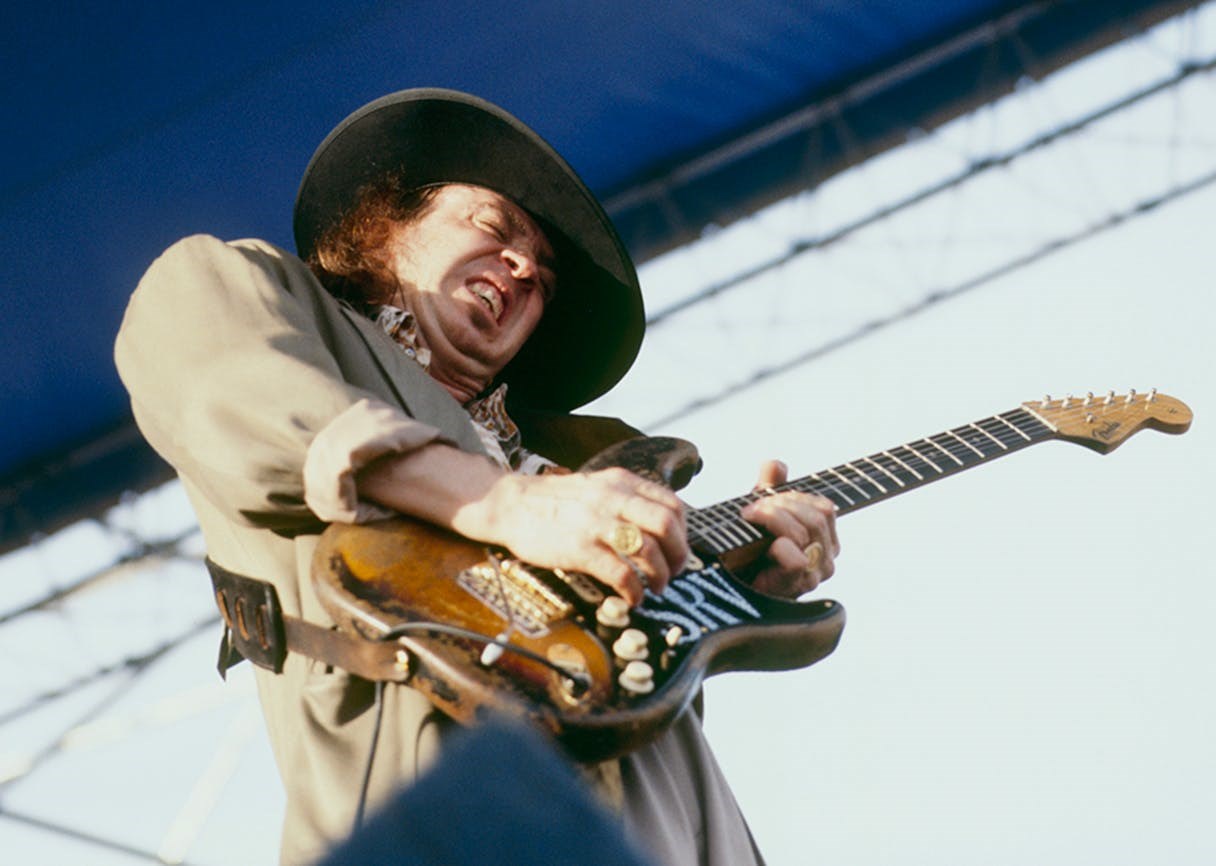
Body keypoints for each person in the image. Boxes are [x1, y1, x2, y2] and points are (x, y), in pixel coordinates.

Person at [115, 88, 839, 865]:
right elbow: (220, 376)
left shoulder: (577, 469)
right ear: (386, 228)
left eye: (545, 282)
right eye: (493, 228)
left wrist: (731, 583)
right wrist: (506, 503)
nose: (524, 268)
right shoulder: (247, 290)